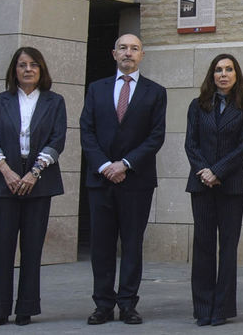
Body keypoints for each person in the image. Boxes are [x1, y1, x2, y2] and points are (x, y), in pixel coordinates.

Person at [81, 33, 167, 326]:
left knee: (132, 244)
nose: (128, 53)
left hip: (136, 181)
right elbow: (87, 131)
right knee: (102, 245)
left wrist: (125, 164)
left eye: (134, 49)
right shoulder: (96, 89)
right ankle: (102, 304)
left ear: (142, 55)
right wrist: (106, 165)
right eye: (122, 48)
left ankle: (128, 304)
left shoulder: (155, 92)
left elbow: (156, 136)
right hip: (101, 179)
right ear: (113, 53)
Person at [0, 47, 67, 327]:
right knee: (3, 247)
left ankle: (25, 309)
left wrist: (34, 173)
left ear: (41, 70)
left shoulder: (55, 102)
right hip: (4, 182)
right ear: (14, 70)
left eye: (33, 65)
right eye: (22, 65)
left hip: (38, 184)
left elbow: (57, 140)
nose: (27, 69)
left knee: (32, 249)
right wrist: (6, 171)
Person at [185, 53, 243, 326]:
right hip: (201, 185)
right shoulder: (197, 106)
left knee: (227, 247)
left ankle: (221, 309)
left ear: (236, 75)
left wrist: (218, 171)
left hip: (232, 186)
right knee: (203, 245)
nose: (223, 74)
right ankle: (203, 309)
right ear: (212, 75)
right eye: (218, 70)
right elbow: (190, 144)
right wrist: (205, 171)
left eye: (229, 69)